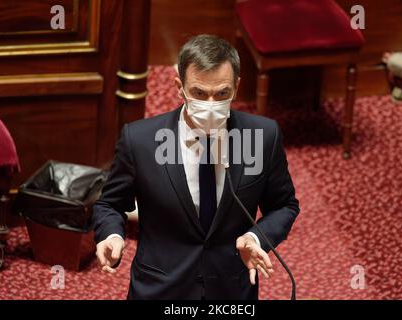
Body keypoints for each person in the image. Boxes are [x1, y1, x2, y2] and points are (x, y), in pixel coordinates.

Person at [92, 34, 300, 300]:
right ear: (180, 87)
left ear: (236, 87)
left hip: (231, 290)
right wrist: (112, 235)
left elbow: (284, 205)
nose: (211, 105)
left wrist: (256, 238)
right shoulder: (140, 141)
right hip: (160, 288)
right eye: (199, 93)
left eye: (222, 93)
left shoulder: (261, 137)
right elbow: (109, 204)